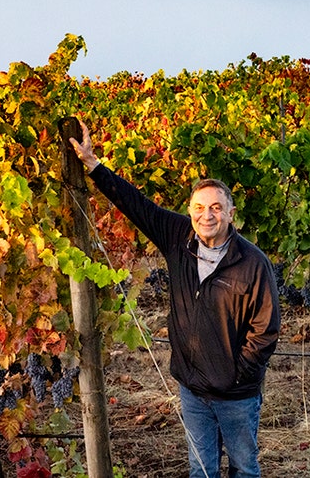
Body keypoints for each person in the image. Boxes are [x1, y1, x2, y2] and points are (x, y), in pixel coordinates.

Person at [70, 121, 281, 478]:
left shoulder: (252, 263)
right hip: (192, 390)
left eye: (216, 208)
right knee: (200, 471)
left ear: (231, 214)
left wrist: (237, 374)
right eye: (199, 207)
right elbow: (136, 204)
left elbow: (266, 329)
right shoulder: (178, 237)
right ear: (190, 211)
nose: (206, 215)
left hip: (237, 395)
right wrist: (93, 165)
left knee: (245, 469)